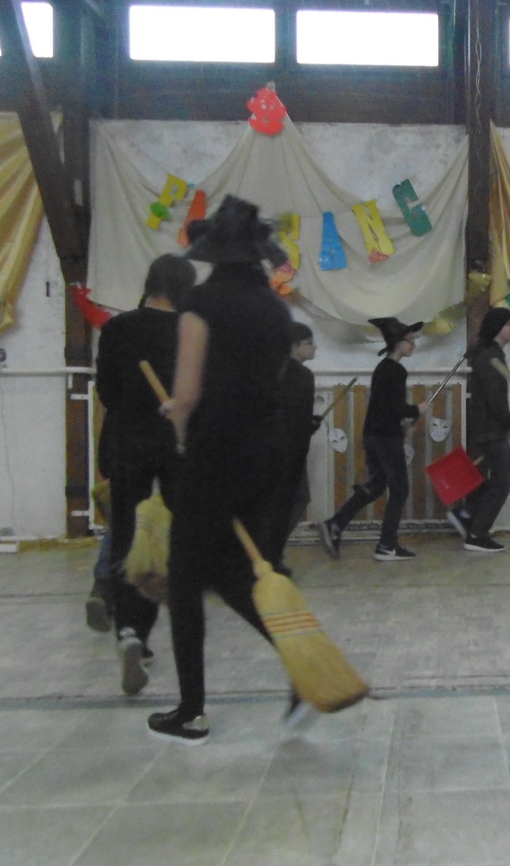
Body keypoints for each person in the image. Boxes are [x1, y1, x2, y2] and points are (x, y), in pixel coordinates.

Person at [149, 195, 301, 745]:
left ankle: (191, 711)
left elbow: (187, 392)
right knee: (235, 573)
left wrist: (178, 423)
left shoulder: (201, 303)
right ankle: (303, 662)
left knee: (185, 580)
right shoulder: (276, 309)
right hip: (267, 453)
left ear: (211, 252)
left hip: (214, 452)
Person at [95, 253, 196, 695]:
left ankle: (129, 632)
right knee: (171, 541)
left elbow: (107, 391)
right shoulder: (193, 332)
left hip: (127, 446)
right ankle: (155, 630)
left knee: (127, 537)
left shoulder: (118, 329)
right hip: (178, 447)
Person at [316, 317, 428, 562]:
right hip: (386, 439)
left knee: (377, 486)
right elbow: (395, 407)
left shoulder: (382, 368)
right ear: (397, 342)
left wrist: (403, 424)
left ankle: (335, 524)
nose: (413, 344)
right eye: (410, 340)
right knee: (400, 489)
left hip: (374, 436)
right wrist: (415, 410)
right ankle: (386, 545)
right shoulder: (396, 370)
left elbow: (384, 407)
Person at [454, 306, 510, 553]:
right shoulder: (490, 357)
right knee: (503, 481)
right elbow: (495, 399)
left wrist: (508, 423)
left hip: (490, 429)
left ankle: (467, 515)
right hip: (490, 429)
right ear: (497, 328)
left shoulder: (491, 354)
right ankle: (477, 534)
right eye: (509, 324)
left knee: (505, 476)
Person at [281, 321, 323, 557]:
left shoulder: (274, 371)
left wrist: (308, 423)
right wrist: (309, 425)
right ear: (294, 346)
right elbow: (297, 417)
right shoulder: (302, 375)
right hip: (290, 451)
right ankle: (271, 550)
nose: (314, 347)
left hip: (270, 448)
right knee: (299, 499)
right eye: (309, 343)